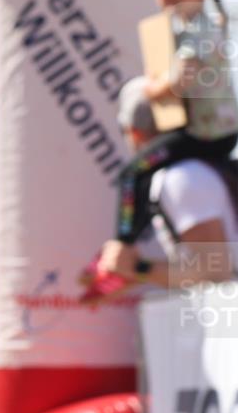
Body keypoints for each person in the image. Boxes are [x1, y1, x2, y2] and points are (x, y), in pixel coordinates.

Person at [116, 0, 237, 244]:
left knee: (133, 172)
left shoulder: (199, 30)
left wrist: (153, 88)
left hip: (205, 136)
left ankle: (124, 245)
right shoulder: (195, 25)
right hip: (214, 132)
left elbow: (181, 79)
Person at [98, 75, 238, 288]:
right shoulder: (201, 167)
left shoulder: (181, 177)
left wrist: (135, 265)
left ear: (134, 133)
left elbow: (214, 272)